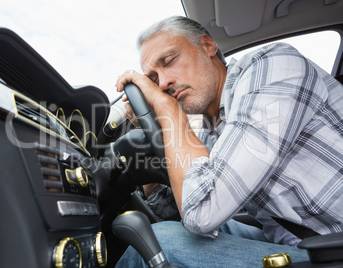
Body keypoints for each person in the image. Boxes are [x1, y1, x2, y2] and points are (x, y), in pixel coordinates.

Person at [114, 15, 343, 267]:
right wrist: (155, 132)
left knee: (159, 244)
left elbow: (201, 212)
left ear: (208, 45)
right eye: (154, 80)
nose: (164, 83)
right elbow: (171, 210)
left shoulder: (272, 68)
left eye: (169, 61)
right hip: (291, 242)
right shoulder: (211, 134)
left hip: (332, 246)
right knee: (167, 230)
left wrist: (169, 112)